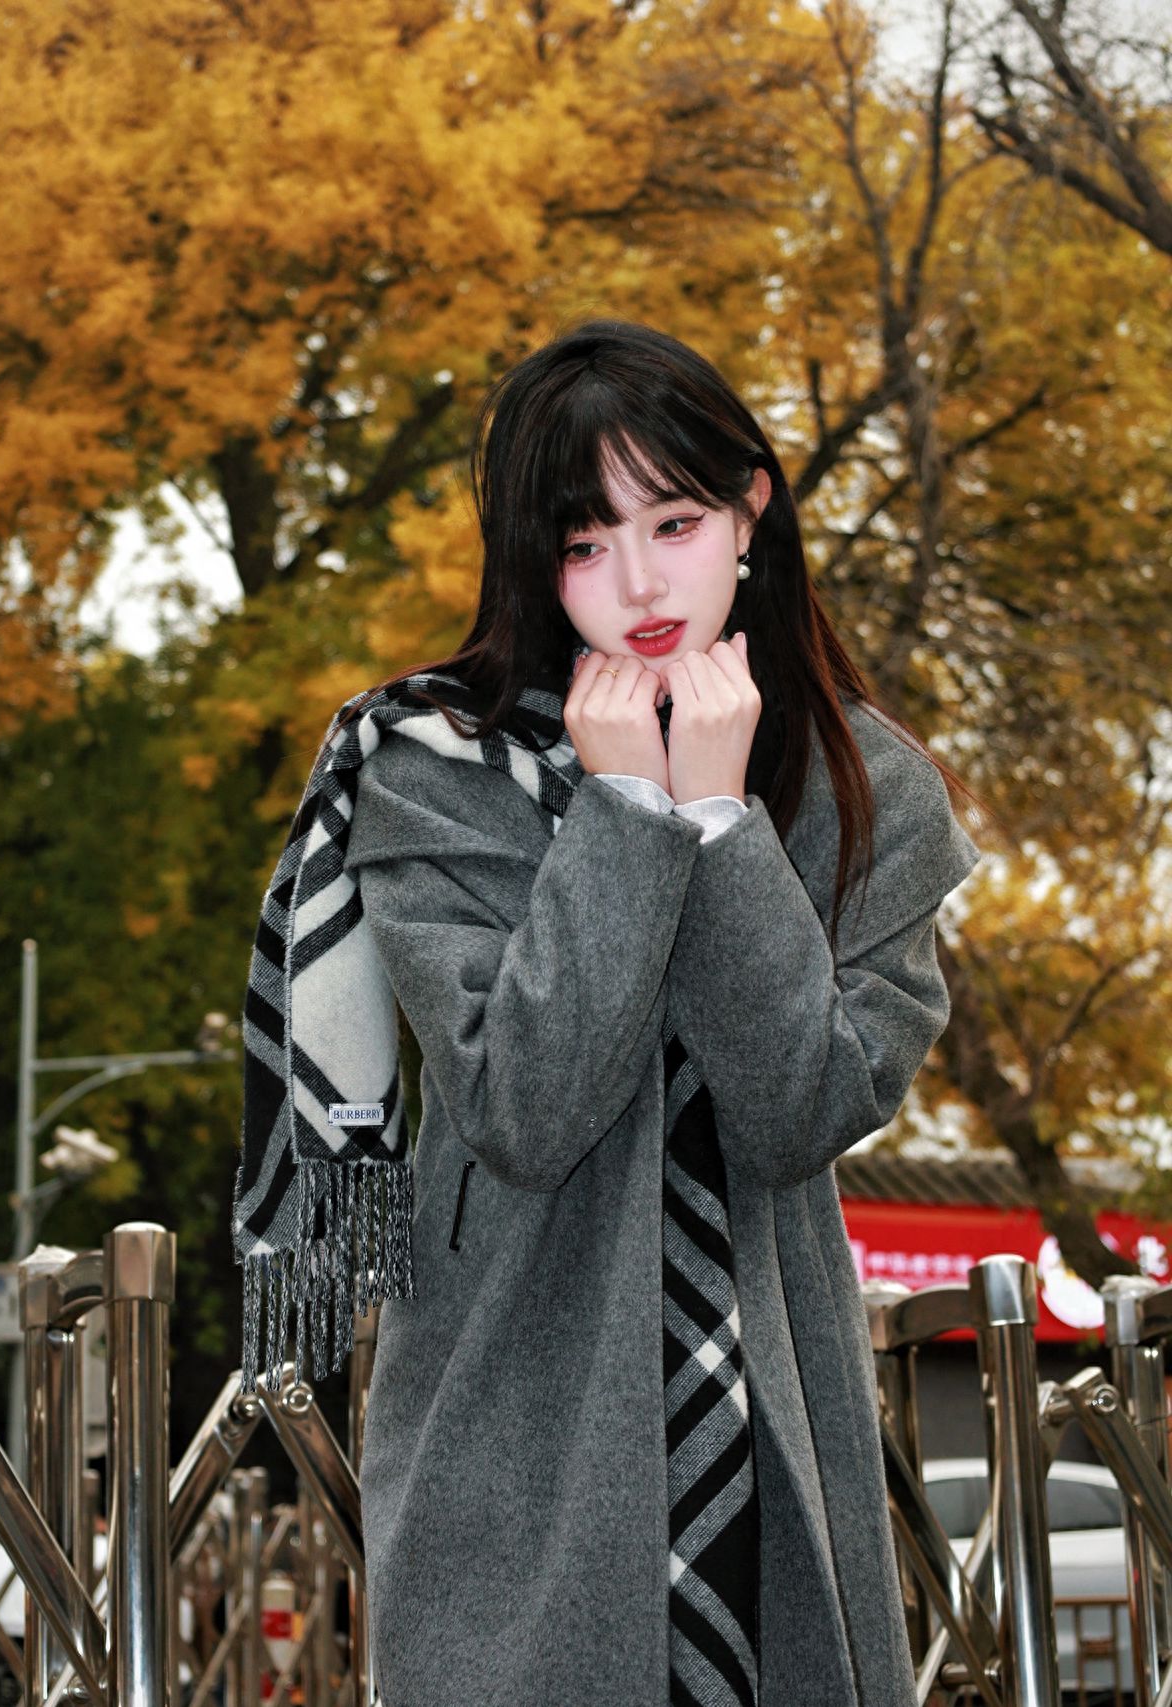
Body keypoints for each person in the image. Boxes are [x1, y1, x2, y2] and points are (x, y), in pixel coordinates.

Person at [239, 317, 986, 1707]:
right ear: (535, 562)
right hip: (515, 1437)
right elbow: (525, 1108)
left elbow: (796, 1112)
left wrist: (720, 816)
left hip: (778, 1438)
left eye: (677, 520)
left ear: (752, 509)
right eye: (584, 544)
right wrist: (628, 812)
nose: (636, 581)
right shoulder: (435, 769)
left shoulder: (863, 787)